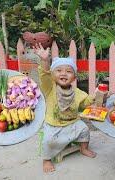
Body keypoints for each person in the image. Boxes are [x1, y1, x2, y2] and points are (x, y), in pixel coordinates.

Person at [34, 44, 96, 173]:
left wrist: (96, 95)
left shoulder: (77, 92)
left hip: (72, 122)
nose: (63, 74)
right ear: (52, 74)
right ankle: (46, 159)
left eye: (69, 71)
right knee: (48, 140)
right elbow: (44, 75)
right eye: (59, 70)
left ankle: (83, 148)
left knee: (84, 129)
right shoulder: (49, 88)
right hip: (54, 124)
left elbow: (85, 103)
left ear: (74, 77)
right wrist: (45, 60)